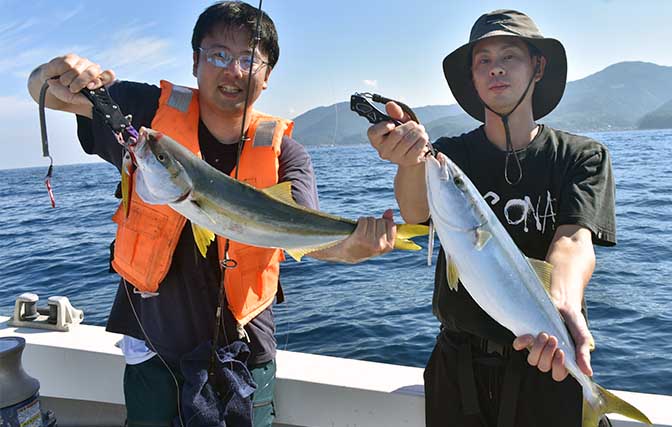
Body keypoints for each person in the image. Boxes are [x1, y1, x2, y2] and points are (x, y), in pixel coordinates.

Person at [28, 2, 398, 426]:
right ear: (194, 60)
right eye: (218, 55)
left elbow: (310, 240)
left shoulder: (285, 154)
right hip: (153, 348)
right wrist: (56, 71)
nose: (233, 71)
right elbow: (48, 91)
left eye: (249, 59)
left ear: (268, 74)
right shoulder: (146, 116)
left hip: (246, 352)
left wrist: (356, 246)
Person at [367, 9, 616, 427]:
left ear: (538, 67)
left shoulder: (580, 157)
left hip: (547, 363)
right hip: (457, 369)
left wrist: (563, 301)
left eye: (510, 55)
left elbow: (574, 239)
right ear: (473, 76)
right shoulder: (449, 158)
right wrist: (409, 160)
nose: (495, 67)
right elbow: (416, 213)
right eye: (482, 59)